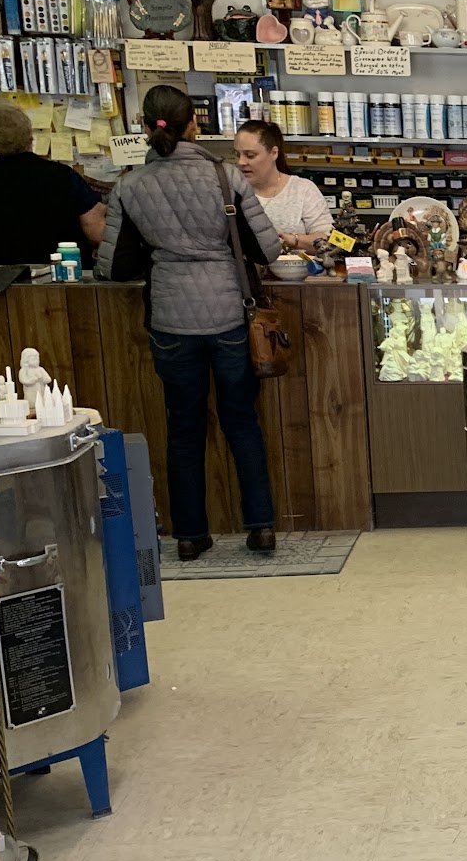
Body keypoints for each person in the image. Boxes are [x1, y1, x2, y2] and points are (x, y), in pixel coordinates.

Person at [97, 85, 281, 561]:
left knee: (183, 428)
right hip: (228, 314)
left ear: (144, 126)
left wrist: (162, 252)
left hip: (171, 320)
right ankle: (261, 527)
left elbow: (114, 266)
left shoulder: (130, 186)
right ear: (194, 124)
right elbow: (266, 249)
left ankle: (190, 535)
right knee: (242, 422)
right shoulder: (226, 177)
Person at [0, 97, 106, 267]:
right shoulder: (63, 176)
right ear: (29, 134)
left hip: (4, 277)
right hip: (63, 274)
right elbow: (96, 232)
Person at [233, 119, 332, 252]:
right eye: (237, 154)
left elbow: (329, 239)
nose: (241, 162)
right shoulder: (230, 192)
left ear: (274, 153)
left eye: (250, 155)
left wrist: (294, 240)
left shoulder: (303, 190)